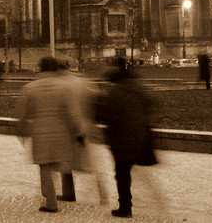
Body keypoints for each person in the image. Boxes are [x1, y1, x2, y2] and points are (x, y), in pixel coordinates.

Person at [95, 59, 164, 219]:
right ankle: (129, 204)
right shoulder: (137, 88)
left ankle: (125, 206)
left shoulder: (113, 92)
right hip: (139, 135)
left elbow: (101, 114)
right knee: (126, 171)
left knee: (122, 173)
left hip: (121, 138)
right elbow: (151, 103)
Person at [19, 56, 88, 213]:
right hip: (60, 134)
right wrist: (79, 132)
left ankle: (51, 202)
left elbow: (23, 113)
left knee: (45, 168)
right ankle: (65, 193)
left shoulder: (30, 88)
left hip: (41, 134)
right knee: (59, 163)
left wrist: (21, 130)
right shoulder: (64, 87)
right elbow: (72, 113)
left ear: (40, 69)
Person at [55, 60, 106, 205]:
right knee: (92, 164)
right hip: (87, 125)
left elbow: (70, 110)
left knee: (66, 163)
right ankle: (103, 194)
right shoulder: (83, 82)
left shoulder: (62, 85)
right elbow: (97, 100)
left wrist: (77, 130)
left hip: (71, 128)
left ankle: (69, 193)